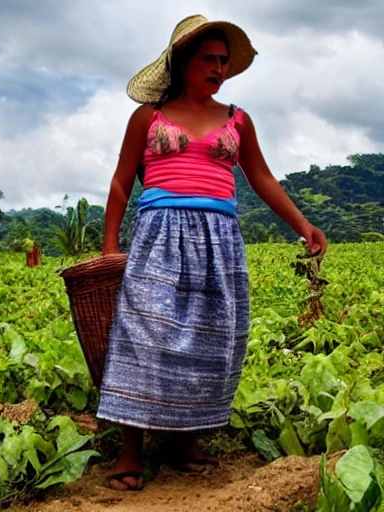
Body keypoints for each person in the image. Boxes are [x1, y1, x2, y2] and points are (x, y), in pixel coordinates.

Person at [97, 14, 327, 491]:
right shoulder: (149, 117)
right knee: (146, 337)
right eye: (209, 59)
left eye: (224, 61)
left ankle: (185, 443)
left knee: (210, 341)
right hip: (159, 234)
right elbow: (122, 182)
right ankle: (130, 452)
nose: (219, 68)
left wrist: (303, 224)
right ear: (183, 63)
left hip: (219, 238)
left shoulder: (237, 120)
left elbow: (261, 178)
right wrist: (110, 246)